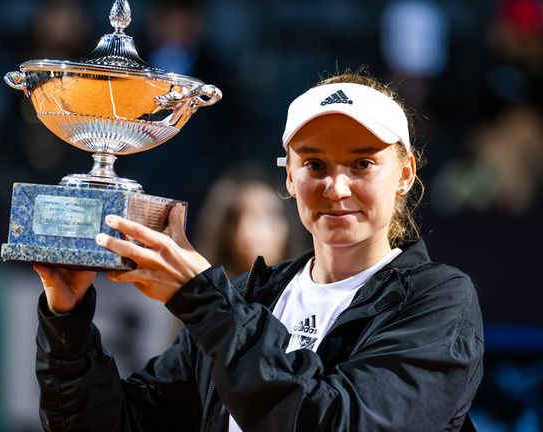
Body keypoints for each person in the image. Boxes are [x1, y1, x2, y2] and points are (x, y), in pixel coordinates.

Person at [33, 71, 484, 431]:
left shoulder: (437, 300)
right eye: (314, 164)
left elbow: (338, 421)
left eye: (363, 163)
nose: (337, 186)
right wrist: (67, 320)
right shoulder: (250, 296)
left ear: (404, 174)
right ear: (290, 177)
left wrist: (205, 300)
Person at [194, 165, 307, 278]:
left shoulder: (304, 289)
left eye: (270, 214)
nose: (254, 232)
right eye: (238, 217)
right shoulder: (202, 291)